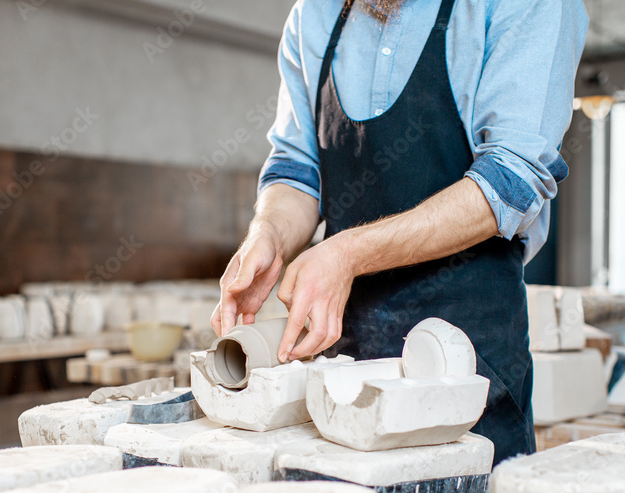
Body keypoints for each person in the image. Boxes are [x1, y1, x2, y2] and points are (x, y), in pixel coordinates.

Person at [211, 0, 588, 464]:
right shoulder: (314, 15)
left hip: (467, 363)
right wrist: (268, 233)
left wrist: (348, 253)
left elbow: (510, 182)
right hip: (344, 365)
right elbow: (297, 170)